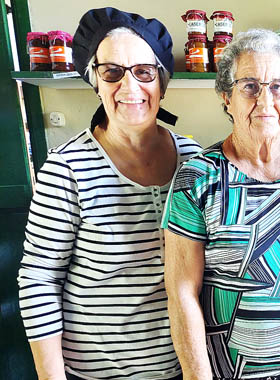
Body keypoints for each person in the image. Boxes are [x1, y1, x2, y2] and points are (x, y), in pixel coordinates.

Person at [16, 7, 201, 380]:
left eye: (144, 72)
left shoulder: (193, 161)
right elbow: (39, 278)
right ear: (94, 80)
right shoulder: (66, 169)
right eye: (113, 72)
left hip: (183, 367)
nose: (130, 88)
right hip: (97, 372)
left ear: (161, 83)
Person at [162, 28, 280, 380]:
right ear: (226, 98)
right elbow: (182, 291)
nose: (264, 101)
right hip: (232, 370)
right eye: (249, 86)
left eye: (277, 86)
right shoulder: (197, 178)